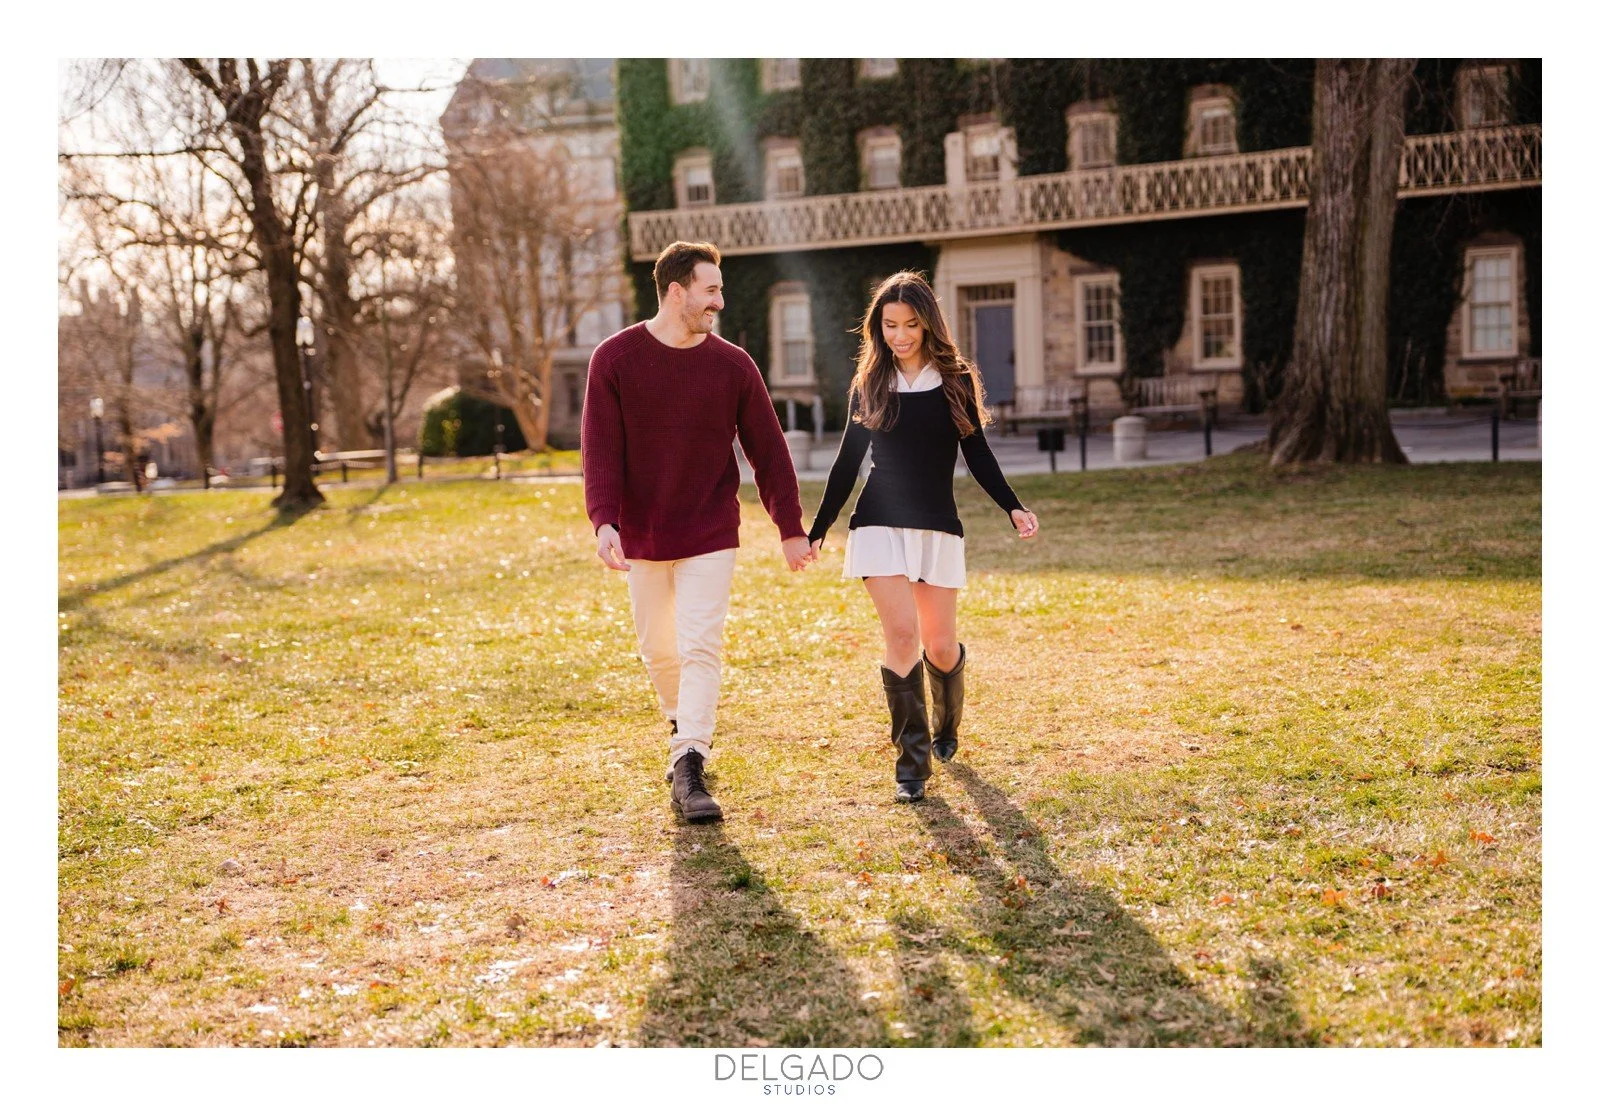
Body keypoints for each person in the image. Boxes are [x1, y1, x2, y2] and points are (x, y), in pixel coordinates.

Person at [582, 240, 816, 824]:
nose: (720, 300)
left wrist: (790, 526)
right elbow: (601, 449)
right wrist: (604, 519)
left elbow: (769, 451)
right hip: (642, 530)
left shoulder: (733, 364)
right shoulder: (614, 359)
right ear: (677, 291)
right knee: (658, 648)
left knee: (700, 645)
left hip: (711, 526)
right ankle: (682, 722)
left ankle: (689, 760)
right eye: (710, 289)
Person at [807, 271, 1039, 803]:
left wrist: (1013, 507)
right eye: (890, 325)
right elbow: (847, 462)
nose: (901, 335)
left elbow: (977, 453)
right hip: (878, 523)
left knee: (938, 645)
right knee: (902, 639)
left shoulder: (954, 380)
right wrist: (818, 529)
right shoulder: (869, 384)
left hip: (937, 524)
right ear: (877, 327)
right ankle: (911, 765)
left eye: (910, 324)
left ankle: (946, 727)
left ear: (928, 323)